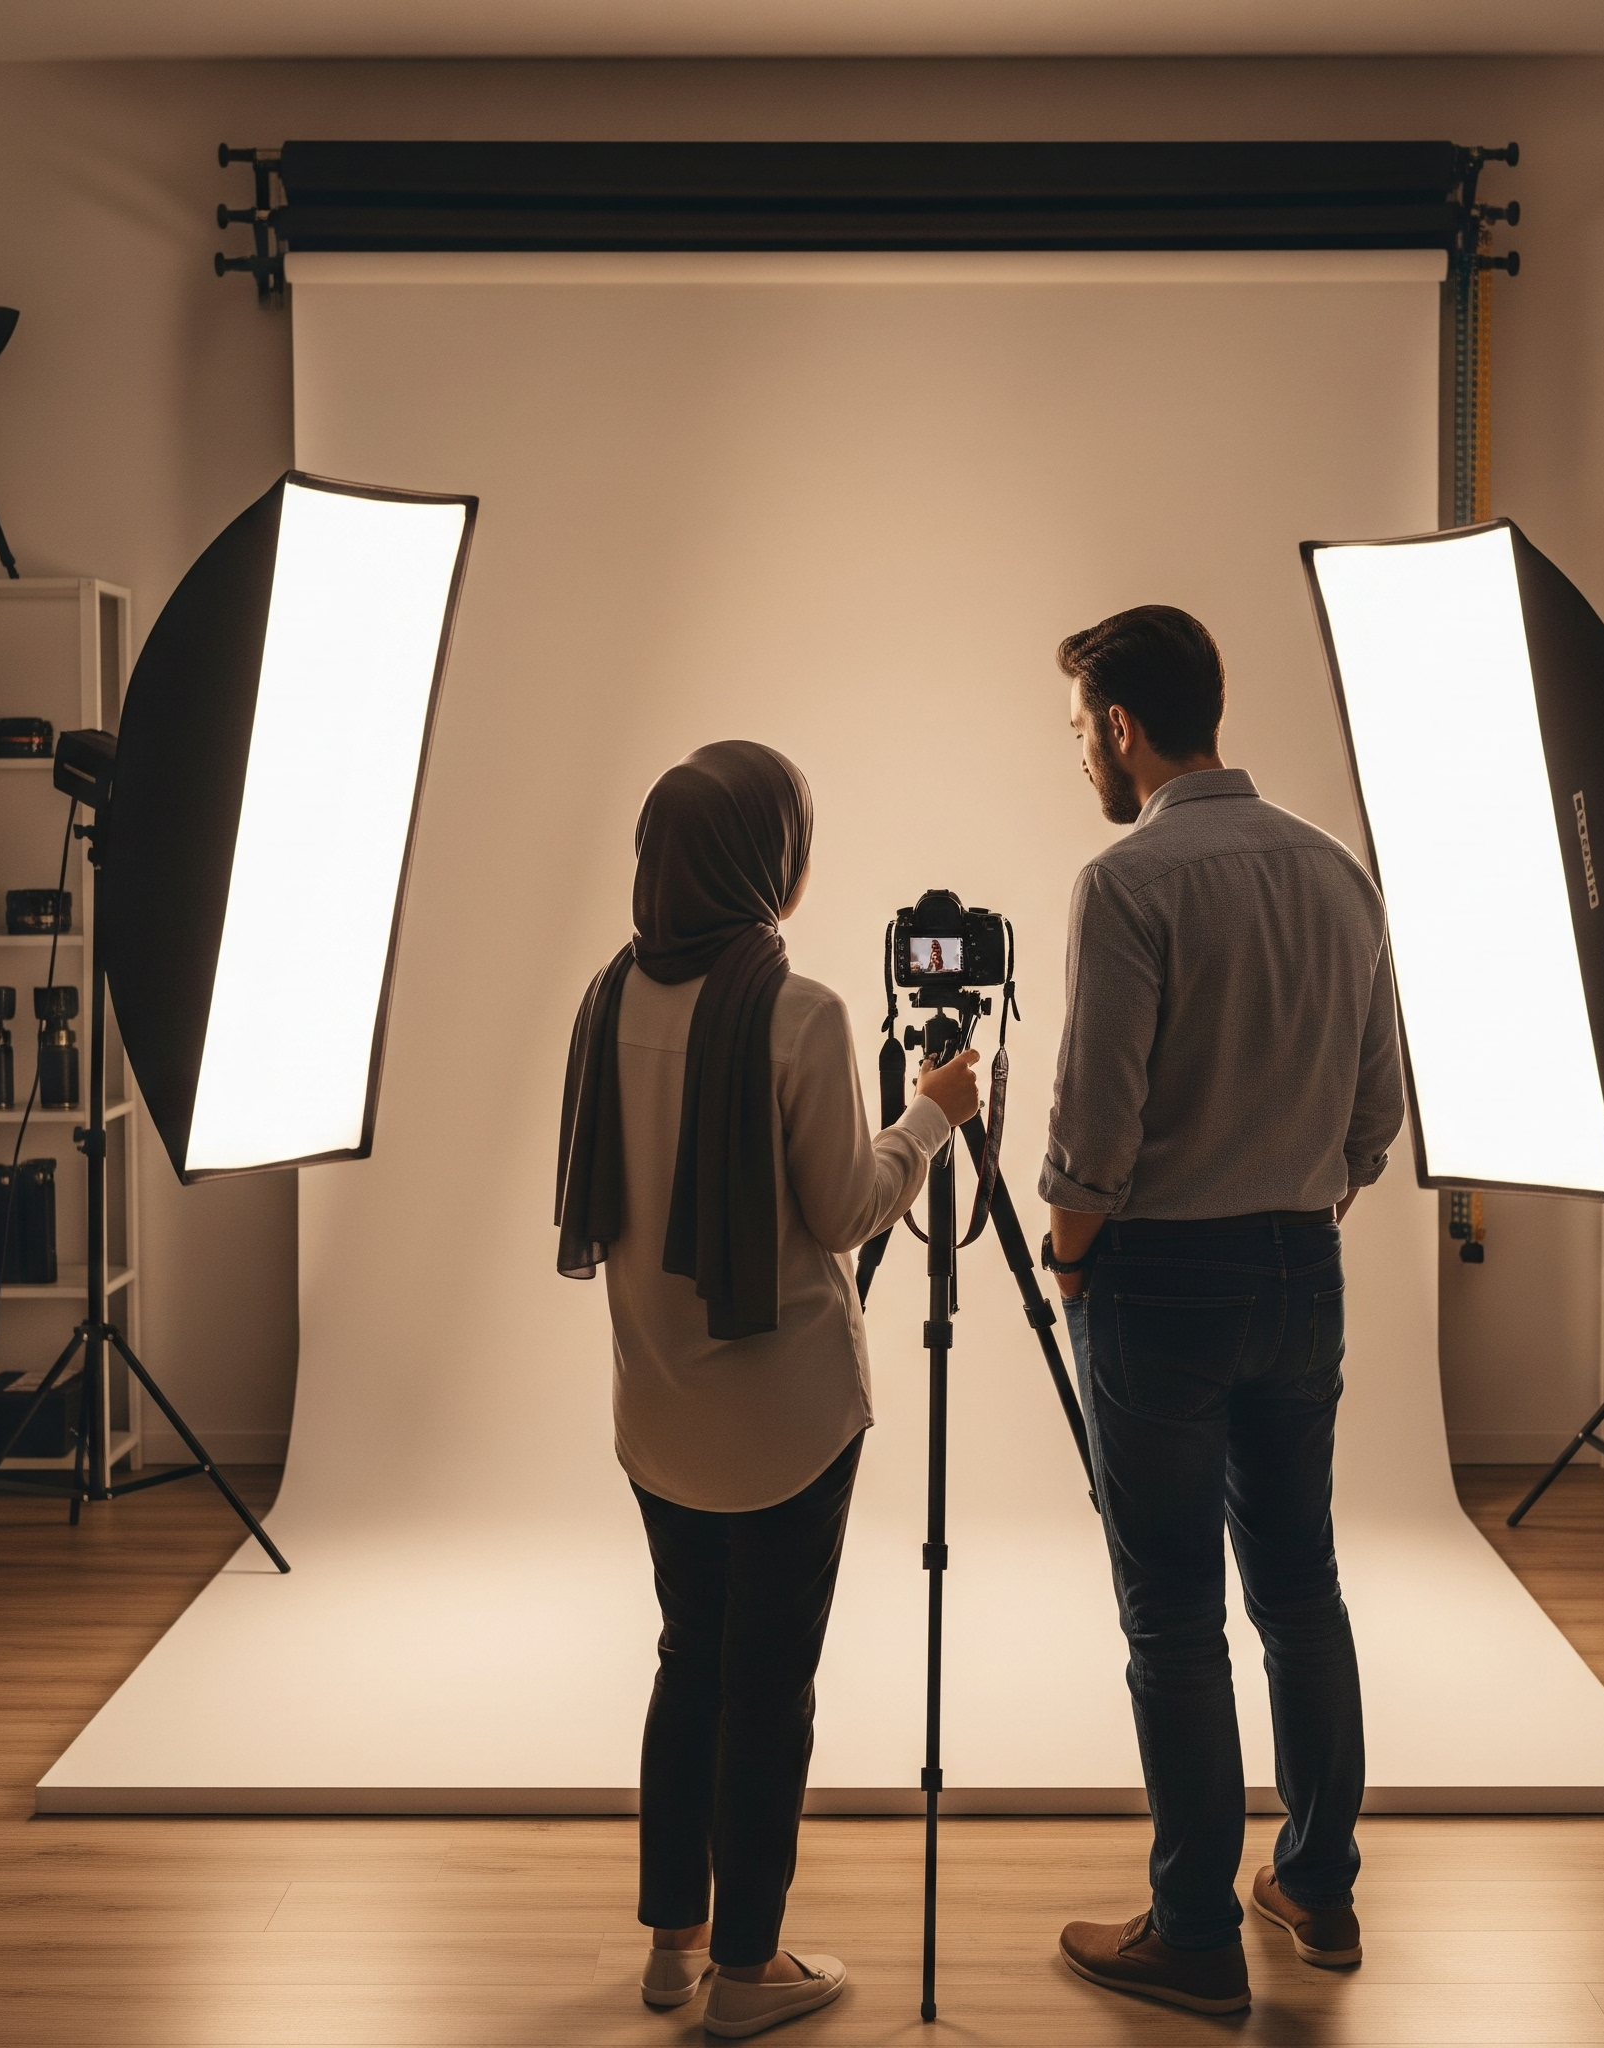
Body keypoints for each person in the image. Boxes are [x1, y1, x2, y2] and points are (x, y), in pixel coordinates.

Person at [556, 740, 980, 2040]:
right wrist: (933, 1114)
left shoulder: (607, 996)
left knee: (690, 1661)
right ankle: (751, 1970)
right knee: (769, 1686)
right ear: (768, 862)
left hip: (657, 1412)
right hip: (792, 1417)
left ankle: (673, 1949)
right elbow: (850, 1207)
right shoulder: (801, 1013)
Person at [1038, 608, 1402, 2017]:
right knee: (1300, 1587)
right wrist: (1298, 1201)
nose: (1081, 755)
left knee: (1175, 1614)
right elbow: (1378, 1111)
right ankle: (1314, 1887)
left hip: (1157, 1284)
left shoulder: (1125, 882)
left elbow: (1093, 1132)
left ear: (1124, 728)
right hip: (1300, 1267)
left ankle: (1191, 1930)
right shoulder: (1336, 875)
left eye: (1080, 730)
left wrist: (1073, 1262)